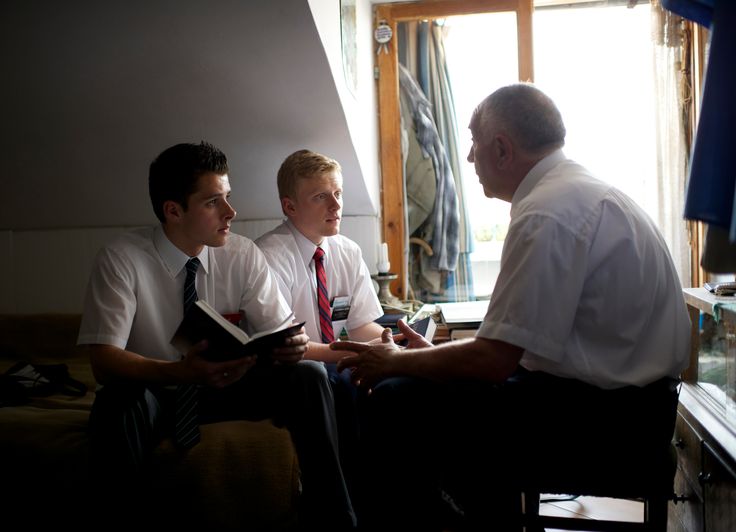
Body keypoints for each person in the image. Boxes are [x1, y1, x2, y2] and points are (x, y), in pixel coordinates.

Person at [333, 84, 691, 531]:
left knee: (394, 398)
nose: (469, 159)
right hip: (638, 413)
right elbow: (515, 348)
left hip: (601, 424)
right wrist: (426, 359)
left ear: (501, 149)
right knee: (423, 384)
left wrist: (402, 362)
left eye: (473, 144)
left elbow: (492, 361)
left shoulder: (546, 213)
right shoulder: (581, 192)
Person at [77, 141, 355, 529]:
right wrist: (180, 374)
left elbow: (278, 329)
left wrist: (288, 345)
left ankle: (337, 522)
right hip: (160, 390)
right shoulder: (122, 258)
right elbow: (103, 361)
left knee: (309, 375)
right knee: (118, 402)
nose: (231, 212)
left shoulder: (241, 254)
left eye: (228, 197)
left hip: (227, 387)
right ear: (173, 211)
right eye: (213, 202)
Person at [254, 149, 386, 510]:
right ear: (290, 207)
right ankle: (350, 505)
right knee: (336, 379)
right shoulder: (268, 256)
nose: (335, 205)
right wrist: (362, 353)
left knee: (399, 382)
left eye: (338, 194)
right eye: (320, 196)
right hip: (292, 371)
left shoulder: (346, 250)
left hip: (334, 360)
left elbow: (361, 325)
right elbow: (289, 348)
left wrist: (391, 342)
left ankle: (405, 495)